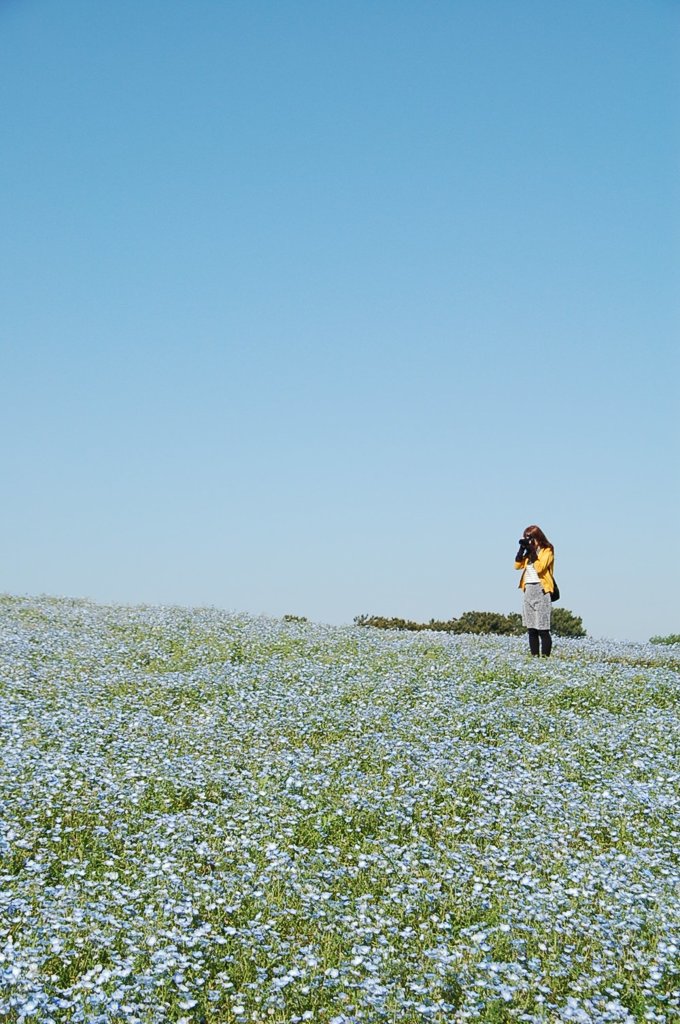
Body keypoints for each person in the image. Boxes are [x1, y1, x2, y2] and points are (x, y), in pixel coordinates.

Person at [515, 525, 555, 656]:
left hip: (542, 590)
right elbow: (517, 566)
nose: (529, 540)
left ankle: (545, 659)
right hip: (528, 590)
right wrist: (522, 550)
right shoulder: (529, 551)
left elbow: (540, 568)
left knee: (543, 629)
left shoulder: (547, 550)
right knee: (531, 629)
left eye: (530, 538)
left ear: (537, 537)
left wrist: (533, 551)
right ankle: (534, 659)